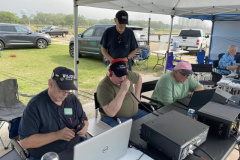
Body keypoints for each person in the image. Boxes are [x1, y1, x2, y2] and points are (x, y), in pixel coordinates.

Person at [19, 67, 88, 160]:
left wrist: (84, 127)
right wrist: (57, 135)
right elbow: (25, 142)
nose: (66, 93)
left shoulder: (72, 99)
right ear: (50, 83)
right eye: (62, 89)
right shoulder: (35, 105)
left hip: (75, 148)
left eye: (68, 90)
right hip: (47, 156)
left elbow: (84, 119)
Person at [96, 58, 148, 127]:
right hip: (115, 118)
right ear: (110, 73)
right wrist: (123, 91)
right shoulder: (103, 87)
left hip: (136, 113)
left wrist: (137, 95)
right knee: (125, 135)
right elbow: (111, 113)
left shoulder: (128, 75)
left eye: (124, 74)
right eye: (118, 75)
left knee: (152, 122)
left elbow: (139, 78)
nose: (122, 78)